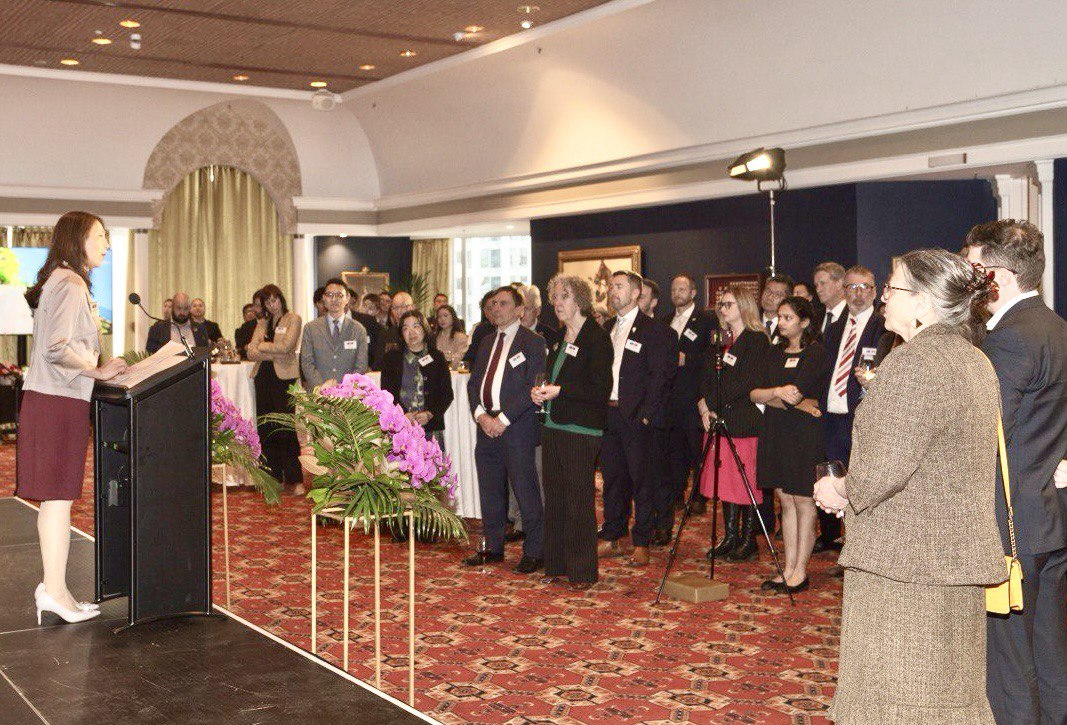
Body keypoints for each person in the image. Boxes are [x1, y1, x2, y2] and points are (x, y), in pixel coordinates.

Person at [814, 249, 1005, 724]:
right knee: (947, 698)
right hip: (951, 561)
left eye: (892, 288)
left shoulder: (914, 363)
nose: (884, 298)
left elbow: (882, 471)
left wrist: (839, 490)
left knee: (899, 700)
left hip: (904, 567)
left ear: (923, 303)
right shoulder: (974, 360)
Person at [963, 220, 1067, 725]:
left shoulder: (1007, 339)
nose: (966, 280)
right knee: (1049, 655)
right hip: (1049, 517)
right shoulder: (1057, 327)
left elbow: (981, 435)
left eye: (972, 269)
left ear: (997, 278)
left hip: (1009, 525)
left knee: (1008, 668)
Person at [16, 211, 127, 623]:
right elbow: (55, 348)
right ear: (78, 239)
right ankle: (55, 593)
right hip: (56, 402)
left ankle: (55, 589)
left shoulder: (63, 279)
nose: (106, 244)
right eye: (100, 236)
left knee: (56, 500)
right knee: (58, 499)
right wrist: (98, 370)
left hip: (55, 399)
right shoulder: (70, 282)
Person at [532, 274, 612, 589]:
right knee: (555, 498)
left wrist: (560, 390)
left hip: (582, 429)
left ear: (579, 300)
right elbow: (552, 379)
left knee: (578, 500)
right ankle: (557, 564)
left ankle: (582, 571)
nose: (556, 303)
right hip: (553, 426)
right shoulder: (558, 338)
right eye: (554, 297)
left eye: (563, 296)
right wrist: (540, 392)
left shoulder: (596, 338)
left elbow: (600, 389)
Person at [463, 286, 547, 573]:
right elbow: (473, 384)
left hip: (516, 427)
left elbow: (533, 386)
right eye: (493, 304)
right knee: (489, 491)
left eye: (503, 303)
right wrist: (481, 416)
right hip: (486, 426)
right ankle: (493, 548)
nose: (496, 308)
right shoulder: (486, 341)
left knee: (525, 491)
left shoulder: (532, 342)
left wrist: (504, 420)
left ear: (520, 310)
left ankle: (535, 551)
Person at [750, 296, 830, 591]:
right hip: (776, 431)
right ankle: (788, 568)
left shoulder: (816, 353)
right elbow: (753, 393)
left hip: (804, 435)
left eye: (788, 318)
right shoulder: (773, 352)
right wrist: (779, 393)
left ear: (805, 322)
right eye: (780, 317)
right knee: (785, 500)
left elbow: (795, 395)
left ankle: (800, 571)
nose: (781, 323)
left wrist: (782, 397)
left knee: (803, 500)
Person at [597, 271, 675, 567]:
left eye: (618, 286)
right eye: (610, 287)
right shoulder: (606, 328)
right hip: (608, 414)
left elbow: (661, 378)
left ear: (635, 293)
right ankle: (612, 535)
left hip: (637, 417)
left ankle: (642, 541)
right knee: (612, 479)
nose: (612, 291)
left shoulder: (656, 331)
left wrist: (646, 416)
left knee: (643, 480)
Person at [698, 285, 771, 562]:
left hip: (744, 420)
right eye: (721, 304)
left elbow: (747, 381)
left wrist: (712, 402)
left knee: (745, 481)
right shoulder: (719, 337)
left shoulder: (756, 340)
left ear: (743, 306)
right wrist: (704, 405)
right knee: (726, 481)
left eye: (728, 304)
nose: (723, 309)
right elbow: (706, 375)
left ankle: (748, 539)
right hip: (719, 419)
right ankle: (730, 536)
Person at [817, 264, 884, 554]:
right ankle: (841, 547)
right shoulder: (833, 330)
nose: (858, 293)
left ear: (875, 291)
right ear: (844, 291)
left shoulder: (884, 328)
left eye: (864, 287)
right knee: (834, 485)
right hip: (831, 418)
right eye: (852, 287)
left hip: (862, 418)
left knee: (860, 486)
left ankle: (861, 549)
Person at [658, 274, 715, 542]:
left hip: (694, 394)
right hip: (669, 396)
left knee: (696, 447)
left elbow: (713, 355)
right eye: (673, 289)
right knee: (673, 448)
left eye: (682, 289)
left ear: (693, 293)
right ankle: (677, 493)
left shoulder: (706, 321)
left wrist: (687, 359)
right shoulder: (664, 320)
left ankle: (699, 495)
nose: (677, 293)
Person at [247, 284, 303, 492]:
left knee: (286, 426)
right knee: (266, 427)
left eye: (274, 300)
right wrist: (270, 351)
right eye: (268, 302)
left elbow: (287, 347)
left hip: (284, 378)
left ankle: (294, 478)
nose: (272, 305)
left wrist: (262, 346)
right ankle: (273, 477)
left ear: (281, 299)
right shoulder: (262, 322)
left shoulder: (293, 319)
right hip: (263, 377)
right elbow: (250, 351)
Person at [380, 310, 453, 446]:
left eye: (416, 326)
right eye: (405, 328)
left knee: (433, 460)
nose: (411, 332)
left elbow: (447, 394)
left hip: (431, 427)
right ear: (401, 334)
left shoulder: (437, 357)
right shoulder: (392, 358)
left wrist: (430, 414)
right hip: (401, 428)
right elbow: (386, 394)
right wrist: (402, 415)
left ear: (424, 329)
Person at [300, 279, 369, 390]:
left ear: (347, 298)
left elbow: (361, 366)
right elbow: (307, 363)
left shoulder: (358, 330)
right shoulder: (311, 328)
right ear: (323, 298)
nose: (334, 299)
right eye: (330, 295)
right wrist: (322, 388)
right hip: (317, 394)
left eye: (339, 295)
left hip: (348, 395)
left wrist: (344, 390)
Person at [373, 291, 414, 363]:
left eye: (403, 307)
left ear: (411, 307)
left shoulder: (421, 332)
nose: (399, 312)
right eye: (395, 308)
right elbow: (378, 363)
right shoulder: (385, 335)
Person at [519, 283, 560, 351]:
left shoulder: (551, 336)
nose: (522, 314)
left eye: (527, 309)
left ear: (538, 310)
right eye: (519, 309)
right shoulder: (509, 332)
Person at [462, 290, 497, 365]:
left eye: (496, 307)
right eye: (489, 309)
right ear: (485, 312)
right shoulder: (481, 330)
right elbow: (471, 357)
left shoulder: (516, 331)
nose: (494, 312)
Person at [814, 262, 848, 337]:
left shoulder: (853, 315)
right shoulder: (815, 318)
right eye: (816, 285)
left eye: (822, 283)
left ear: (839, 283)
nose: (818, 290)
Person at [351, 292, 383, 370]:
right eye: (364, 306)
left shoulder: (380, 330)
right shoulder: (354, 326)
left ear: (377, 311)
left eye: (371, 308)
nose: (366, 310)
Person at [760, 274, 793, 342]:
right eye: (768, 291)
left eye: (778, 294)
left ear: (787, 299)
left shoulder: (791, 327)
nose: (770, 297)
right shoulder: (751, 322)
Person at [235, 289, 265, 359]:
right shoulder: (246, 326)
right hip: (251, 360)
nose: (260, 309)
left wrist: (250, 346)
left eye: (262, 305)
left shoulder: (276, 322)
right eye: (257, 305)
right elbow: (240, 350)